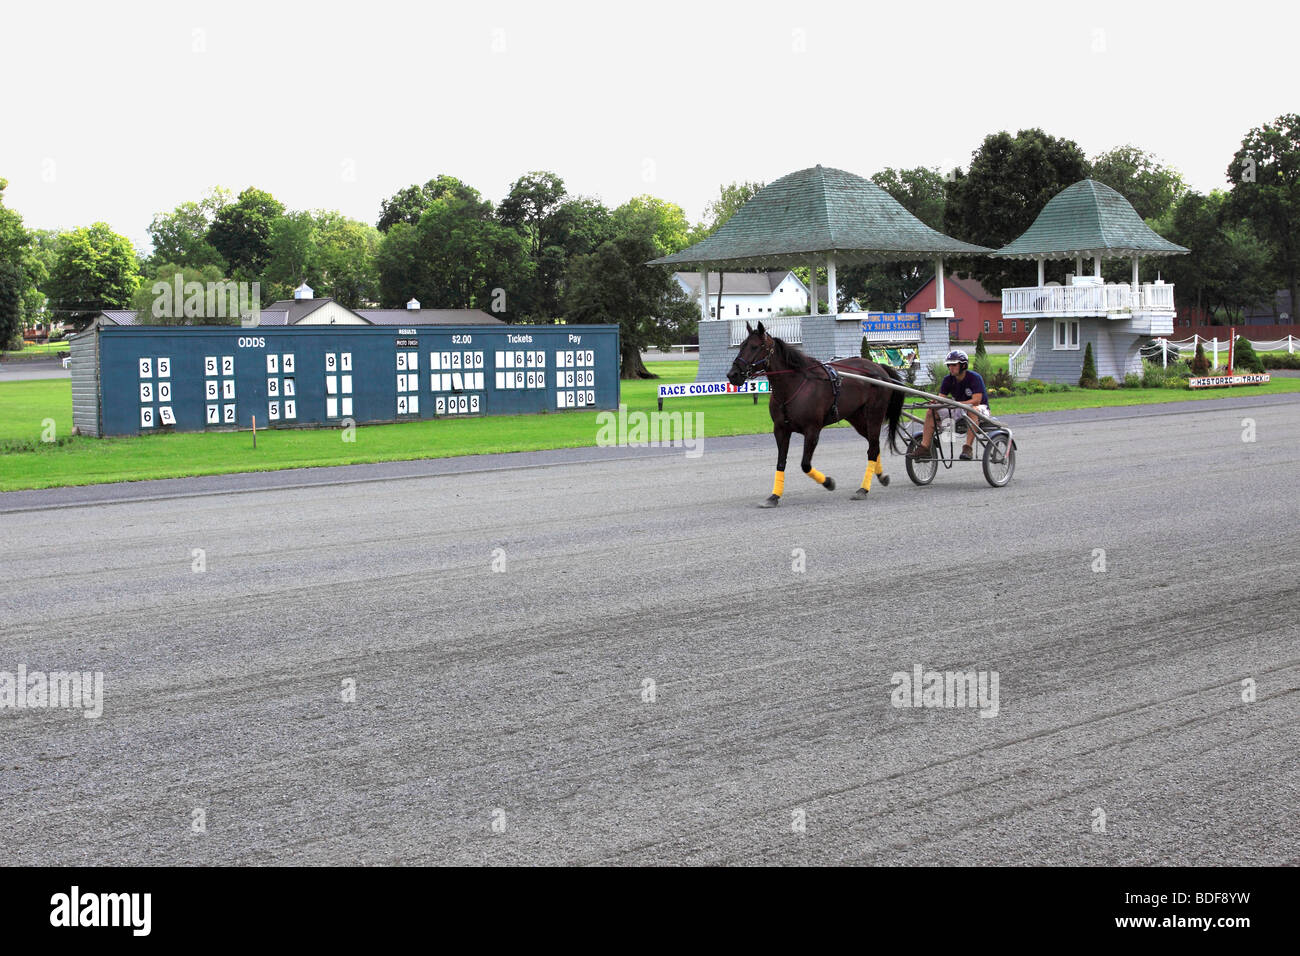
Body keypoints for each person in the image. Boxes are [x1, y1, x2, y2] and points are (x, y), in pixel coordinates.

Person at [909, 349, 989, 460]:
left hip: (980, 409)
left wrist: (957, 404)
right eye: (949, 365)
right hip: (959, 408)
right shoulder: (948, 379)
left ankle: (967, 448)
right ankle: (925, 448)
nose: (950, 367)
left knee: (971, 409)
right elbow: (941, 398)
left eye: (954, 365)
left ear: (963, 365)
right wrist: (935, 403)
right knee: (931, 411)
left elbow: (976, 400)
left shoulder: (974, 378)